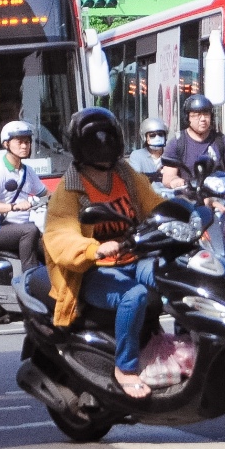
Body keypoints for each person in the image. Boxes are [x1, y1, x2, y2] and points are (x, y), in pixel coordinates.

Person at [42, 108, 164, 399]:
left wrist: (185, 214)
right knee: (133, 295)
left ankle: (179, 346)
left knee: (179, 275)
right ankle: (126, 368)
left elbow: (154, 203)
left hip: (135, 257)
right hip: (92, 272)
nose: (104, 147)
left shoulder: (125, 174)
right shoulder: (69, 191)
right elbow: (59, 237)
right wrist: (94, 249)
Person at [0, 120, 46, 278]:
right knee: (30, 230)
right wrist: (14, 206)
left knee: (52, 242)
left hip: (21, 228)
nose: (25, 146)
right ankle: (29, 278)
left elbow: (45, 194)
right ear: (6, 144)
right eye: (20, 142)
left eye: (27, 142)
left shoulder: (27, 171)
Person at [159, 95, 225, 183]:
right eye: (197, 115)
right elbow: (168, 177)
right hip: (188, 194)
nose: (203, 119)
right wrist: (175, 181)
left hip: (218, 193)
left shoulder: (221, 140)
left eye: (206, 114)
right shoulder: (177, 143)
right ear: (187, 118)